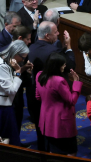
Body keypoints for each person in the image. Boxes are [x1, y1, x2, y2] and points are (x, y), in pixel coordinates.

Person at [27, 21, 74, 151]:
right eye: (56, 32)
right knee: (54, 128)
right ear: (47, 35)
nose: (58, 34)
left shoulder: (31, 47)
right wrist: (68, 47)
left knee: (40, 124)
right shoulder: (54, 51)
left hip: (35, 91)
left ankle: (43, 149)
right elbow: (70, 65)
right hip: (54, 94)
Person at [36, 53, 82, 155]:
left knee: (53, 150)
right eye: (63, 64)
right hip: (62, 123)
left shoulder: (39, 75)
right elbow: (71, 100)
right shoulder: (59, 81)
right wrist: (76, 83)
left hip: (46, 120)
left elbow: (38, 96)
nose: (65, 66)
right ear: (56, 66)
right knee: (70, 152)